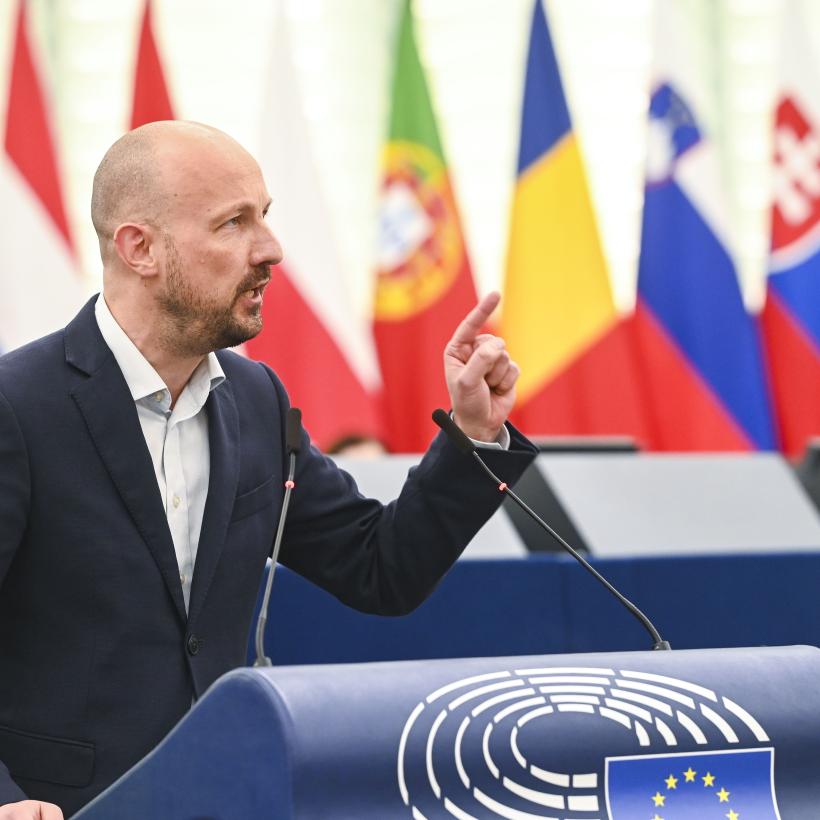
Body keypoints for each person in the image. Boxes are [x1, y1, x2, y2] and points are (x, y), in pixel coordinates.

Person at [0, 121, 535, 818]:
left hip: (228, 797)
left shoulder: (257, 401)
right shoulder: (19, 407)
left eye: (267, 217)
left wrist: (472, 432)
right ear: (140, 249)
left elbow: (380, 568)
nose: (271, 250)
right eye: (233, 223)